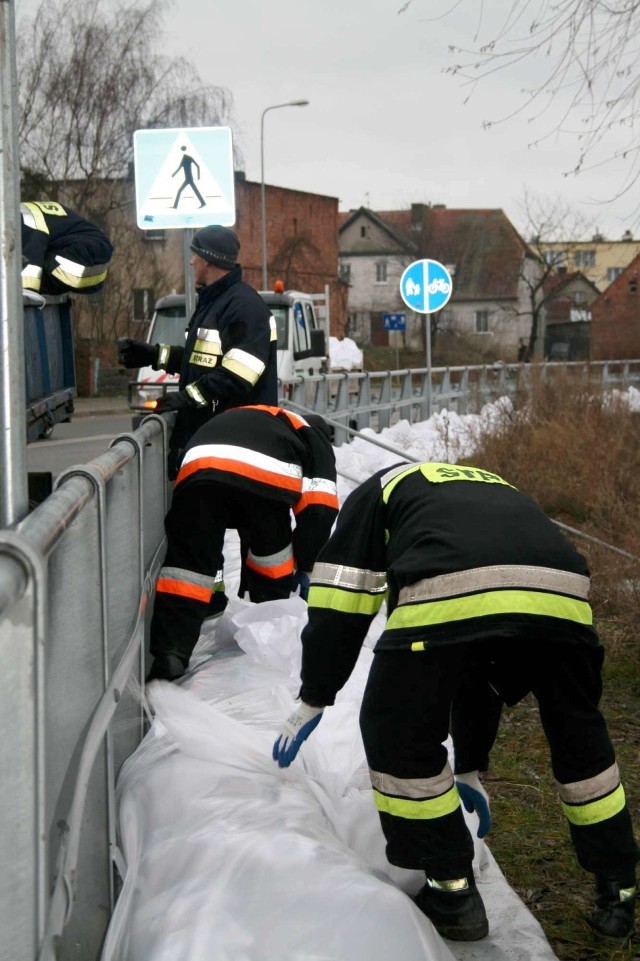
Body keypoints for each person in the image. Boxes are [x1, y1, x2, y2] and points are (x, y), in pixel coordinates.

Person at [272, 460, 638, 945]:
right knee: (579, 738)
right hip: (565, 597)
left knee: (397, 729)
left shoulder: (379, 490)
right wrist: (469, 768)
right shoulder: (493, 484)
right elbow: (476, 674)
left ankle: (452, 891)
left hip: (449, 584)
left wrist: (314, 696)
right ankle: (620, 888)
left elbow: (343, 597)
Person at [146, 405, 339, 683]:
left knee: (187, 569)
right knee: (272, 560)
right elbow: (320, 509)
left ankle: (170, 655)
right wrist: (307, 562)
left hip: (199, 470)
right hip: (263, 476)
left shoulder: (267, 417)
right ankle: (267, 629)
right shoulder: (314, 436)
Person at [117, 225, 278, 479]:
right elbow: (201, 361)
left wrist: (187, 398)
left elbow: (237, 376)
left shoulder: (244, 308)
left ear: (207, 260)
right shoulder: (216, 303)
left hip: (237, 448)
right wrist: (153, 355)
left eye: (194, 256)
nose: (191, 262)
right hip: (213, 441)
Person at [21, 200, 113, 296]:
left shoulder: (22, 220)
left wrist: (27, 292)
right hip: (99, 266)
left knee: (33, 265)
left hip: (82, 255)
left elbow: (31, 266)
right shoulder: (28, 211)